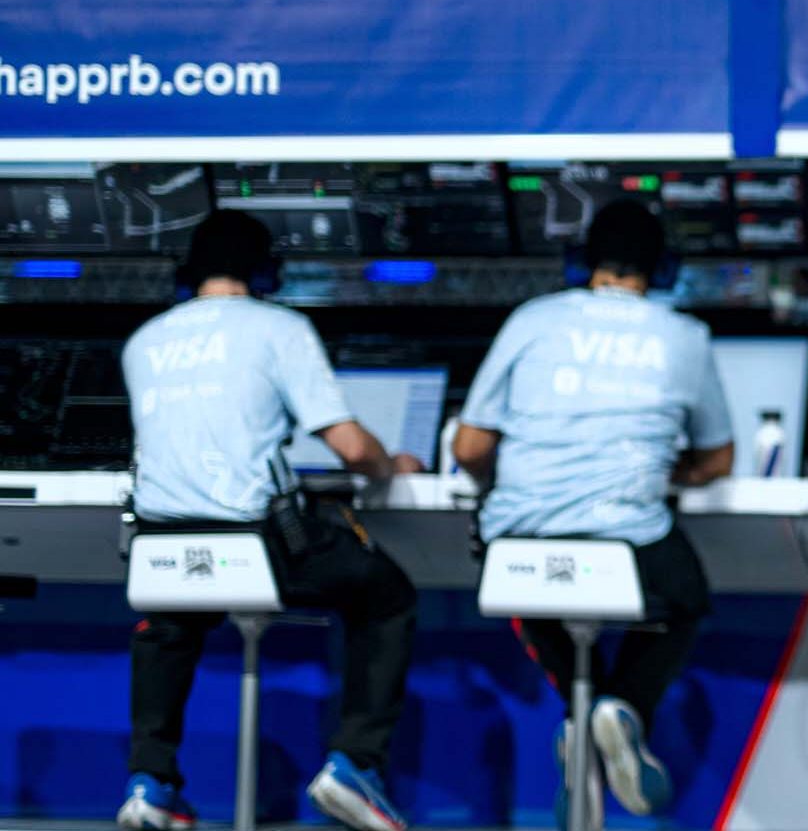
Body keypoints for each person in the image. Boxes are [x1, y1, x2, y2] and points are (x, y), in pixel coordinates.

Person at [118, 210, 424, 831]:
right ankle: (355, 764)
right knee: (386, 595)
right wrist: (395, 463)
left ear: (188, 273)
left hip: (158, 548)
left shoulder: (143, 341)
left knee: (170, 621)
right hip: (255, 545)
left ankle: (151, 783)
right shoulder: (279, 328)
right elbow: (352, 450)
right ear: (267, 272)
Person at [452, 200, 732, 828]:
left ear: (580, 262)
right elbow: (718, 459)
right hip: (627, 544)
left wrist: (514, 480)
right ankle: (621, 706)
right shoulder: (684, 335)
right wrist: (671, 470)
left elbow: (470, 448)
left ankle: (584, 717)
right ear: (662, 269)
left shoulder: (532, 319)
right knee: (685, 597)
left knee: (533, 591)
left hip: (518, 543)